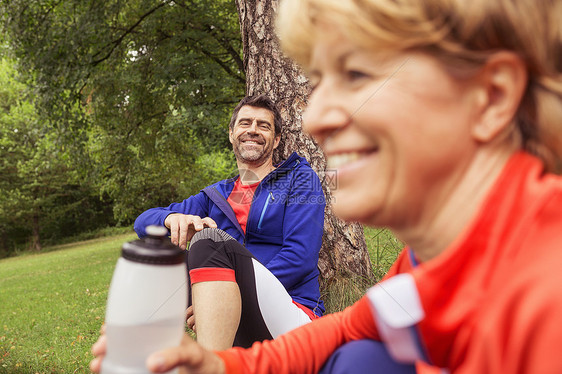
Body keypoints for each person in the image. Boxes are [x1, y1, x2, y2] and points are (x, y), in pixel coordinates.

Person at [91, 0, 562, 372]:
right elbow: (351, 330)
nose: (316, 120)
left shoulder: (545, 294)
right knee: (362, 359)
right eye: (320, 82)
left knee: (214, 248)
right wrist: (217, 367)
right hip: (257, 307)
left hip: (287, 302)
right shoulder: (423, 263)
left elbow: (297, 260)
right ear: (231, 134)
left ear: (492, 97)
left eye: (357, 74)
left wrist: (227, 270)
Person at [133, 94, 326, 350]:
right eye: (245, 123)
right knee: (157, 256)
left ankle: (210, 363)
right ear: (232, 133)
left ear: (276, 139)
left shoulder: (298, 179)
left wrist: (220, 299)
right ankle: (153, 356)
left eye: (263, 125)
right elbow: (142, 224)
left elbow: (299, 258)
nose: (253, 130)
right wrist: (170, 218)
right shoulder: (218, 195)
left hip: (292, 314)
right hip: (237, 322)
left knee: (209, 242)